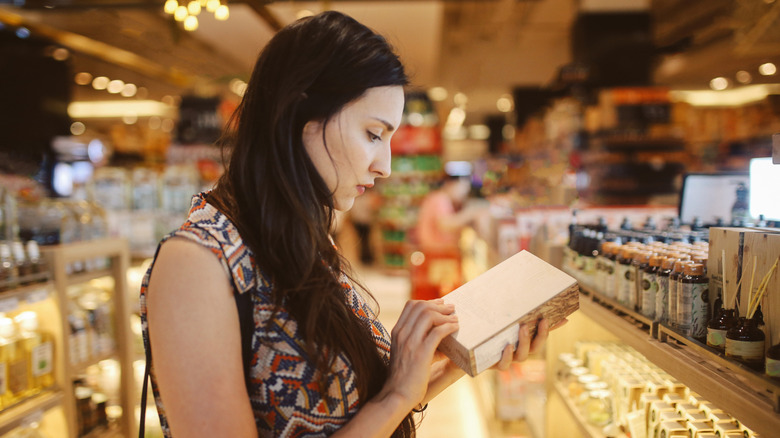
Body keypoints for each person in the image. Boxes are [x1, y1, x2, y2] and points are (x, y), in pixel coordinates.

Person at [140, 11, 551, 438]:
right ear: (300, 115)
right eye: (373, 134)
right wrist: (396, 394)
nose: (385, 166)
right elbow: (386, 402)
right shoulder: (197, 264)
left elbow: (356, 409)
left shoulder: (301, 239)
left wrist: (458, 358)